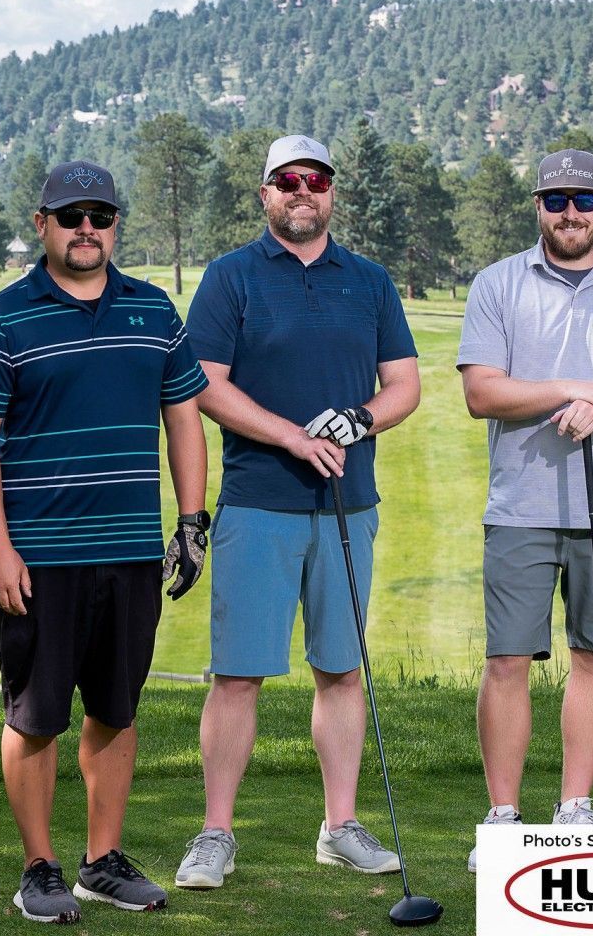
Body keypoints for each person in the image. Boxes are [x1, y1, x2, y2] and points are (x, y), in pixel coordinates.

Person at [0, 159, 209, 923]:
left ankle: (101, 861)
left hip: (128, 551)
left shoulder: (154, 310)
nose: (86, 229)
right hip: (39, 558)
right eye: (71, 217)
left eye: (99, 216)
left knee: (117, 710)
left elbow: (185, 418)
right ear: (42, 226)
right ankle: (40, 868)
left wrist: (192, 522)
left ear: (115, 224)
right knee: (35, 715)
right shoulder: (3, 316)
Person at [173, 134, 421, 889]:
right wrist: (289, 434)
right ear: (265, 194)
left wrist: (359, 419)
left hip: (348, 507)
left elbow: (404, 384)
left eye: (314, 180)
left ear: (331, 192)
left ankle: (338, 825)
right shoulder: (232, 276)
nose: (301, 191)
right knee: (237, 675)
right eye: (286, 181)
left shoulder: (369, 280)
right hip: (258, 503)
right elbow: (202, 383)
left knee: (340, 670)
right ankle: (216, 833)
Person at [457, 149, 593, 870]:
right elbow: (482, 393)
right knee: (506, 660)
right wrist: (573, 389)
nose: (570, 214)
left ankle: (574, 806)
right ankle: (501, 814)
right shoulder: (497, 283)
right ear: (537, 206)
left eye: (582, 200)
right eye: (556, 200)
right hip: (518, 504)